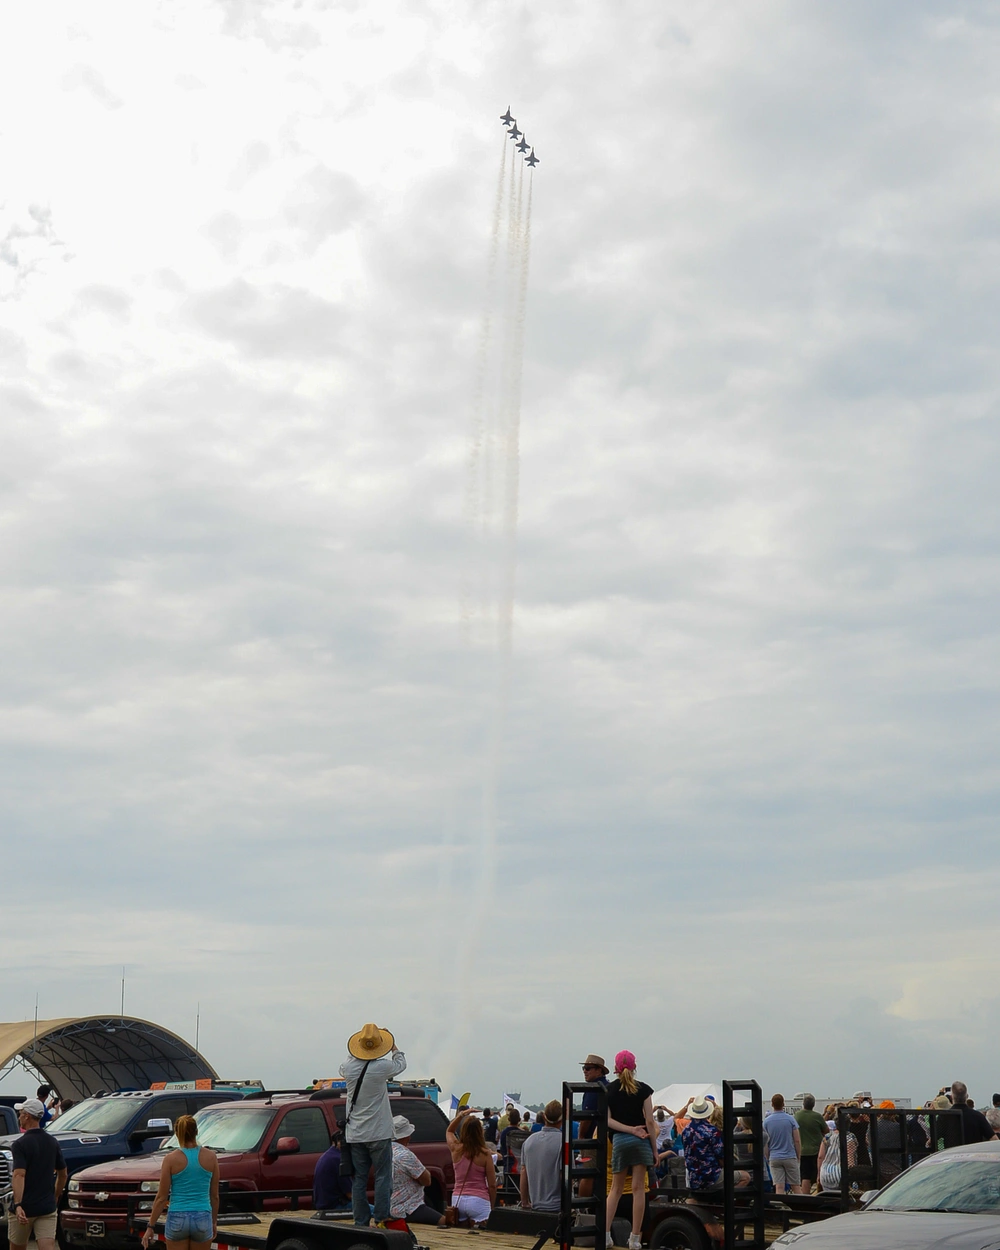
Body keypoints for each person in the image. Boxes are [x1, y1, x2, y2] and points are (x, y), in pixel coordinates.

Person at [339, 1022, 407, 1227]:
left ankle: (360, 1220)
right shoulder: (382, 1067)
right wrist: (393, 1044)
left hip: (356, 1134)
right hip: (379, 1132)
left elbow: (349, 1060)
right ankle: (381, 1215)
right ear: (379, 1046)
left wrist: (359, 1048)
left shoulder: (348, 1068)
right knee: (383, 1175)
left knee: (359, 1178)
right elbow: (401, 1064)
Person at [141, 1114, 219, 1250]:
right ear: (197, 1132)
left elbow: (161, 1198)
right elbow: (215, 1196)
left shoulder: (170, 1159)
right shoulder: (211, 1157)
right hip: (202, 1215)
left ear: (177, 1134)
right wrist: (213, 1222)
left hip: (177, 1216)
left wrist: (150, 1226)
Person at [605, 1049, 657, 1250]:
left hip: (619, 1141)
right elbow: (650, 1121)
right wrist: (653, 1149)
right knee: (638, 1190)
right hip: (642, 1142)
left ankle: (606, 1235)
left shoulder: (608, 1091)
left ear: (616, 1069)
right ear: (634, 1067)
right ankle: (635, 1239)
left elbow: (607, 1120)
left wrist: (628, 1130)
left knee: (615, 1190)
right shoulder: (644, 1090)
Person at [9, 1098, 67, 1250]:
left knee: (17, 1247)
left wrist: (18, 1204)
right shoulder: (52, 1142)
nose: (19, 1116)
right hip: (46, 1207)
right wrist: (54, 1196)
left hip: (25, 1207)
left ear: (27, 1116)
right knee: (48, 1246)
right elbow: (63, 1174)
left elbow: (19, 1175)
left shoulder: (20, 1144)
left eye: (20, 1113)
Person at [390, 1115, 444, 1226]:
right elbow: (427, 1180)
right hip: (409, 1208)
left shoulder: (383, 1153)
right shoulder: (405, 1155)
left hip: (388, 1207)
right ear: (405, 1136)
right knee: (444, 1221)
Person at [447, 1107, 496, 1226]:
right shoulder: (485, 1154)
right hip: (479, 1200)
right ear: (480, 1132)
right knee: (485, 1237)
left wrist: (461, 1115)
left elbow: (449, 1131)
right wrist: (492, 1205)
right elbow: (492, 1185)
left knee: (461, 1238)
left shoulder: (456, 1149)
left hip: (458, 1198)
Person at [519, 1100, 562, 1212]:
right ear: (562, 1119)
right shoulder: (564, 1142)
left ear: (543, 1117)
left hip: (535, 1205)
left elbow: (524, 1172)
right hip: (558, 1206)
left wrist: (524, 1202)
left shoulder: (529, 1141)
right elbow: (564, 1177)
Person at [579, 1054, 610, 1200]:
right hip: (610, 1139)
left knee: (587, 1175)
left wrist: (580, 1139)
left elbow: (586, 1117)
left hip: (592, 1140)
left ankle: (582, 1208)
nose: (585, 1071)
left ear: (599, 1070)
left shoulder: (592, 1089)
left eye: (588, 1068)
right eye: (584, 1068)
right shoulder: (608, 1086)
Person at [763, 1094, 800, 1195]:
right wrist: (798, 1156)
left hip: (775, 1157)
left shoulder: (766, 1122)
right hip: (789, 1156)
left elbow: (765, 1143)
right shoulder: (790, 1120)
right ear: (783, 1104)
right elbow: (796, 1140)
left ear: (772, 1104)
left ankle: (781, 1207)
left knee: (779, 1187)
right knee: (795, 1185)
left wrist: (768, 1157)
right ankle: (801, 1207)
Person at [794, 1094, 828, 1195]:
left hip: (803, 1151)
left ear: (803, 1104)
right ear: (813, 1105)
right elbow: (826, 1130)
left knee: (805, 1176)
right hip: (817, 1150)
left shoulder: (797, 1116)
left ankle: (806, 1198)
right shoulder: (817, 1116)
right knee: (819, 1174)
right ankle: (820, 1195)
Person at [313, 1131, 353, 1212]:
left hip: (323, 1204)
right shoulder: (339, 1159)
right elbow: (350, 1194)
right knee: (378, 1211)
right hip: (336, 1205)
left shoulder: (328, 1156)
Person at [818, 1111, 856, 1194]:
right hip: (840, 1176)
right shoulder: (850, 1137)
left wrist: (818, 1175)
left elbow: (821, 1156)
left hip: (825, 1174)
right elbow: (850, 1161)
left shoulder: (827, 1137)